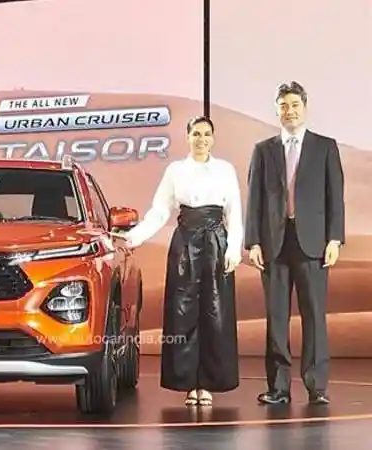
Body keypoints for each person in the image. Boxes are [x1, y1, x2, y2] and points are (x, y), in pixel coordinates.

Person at [117, 116, 242, 406]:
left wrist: (234, 249)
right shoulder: (175, 170)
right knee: (183, 312)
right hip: (185, 243)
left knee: (215, 312)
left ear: (213, 138)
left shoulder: (225, 169)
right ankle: (188, 384)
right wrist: (134, 237)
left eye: (206, 134)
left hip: (216, 242)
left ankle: (208, 383)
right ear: (187, 137)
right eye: (196, 134)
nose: (201, 139)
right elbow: (160, 210)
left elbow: (235, 212)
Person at [245, 81, 344, 405]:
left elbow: (335, 197)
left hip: (313, 244)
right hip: (273, 245)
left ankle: (317, 387)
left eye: (295, 105)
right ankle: (279, 388)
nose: (289, 111)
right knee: (276, 319)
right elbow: (254, 199)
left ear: (305, 108)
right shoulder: (263, 150)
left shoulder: (325, 147)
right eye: (284, 106)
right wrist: (253, 242)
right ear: (277, 110)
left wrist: (334, 239)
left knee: (314, 316)